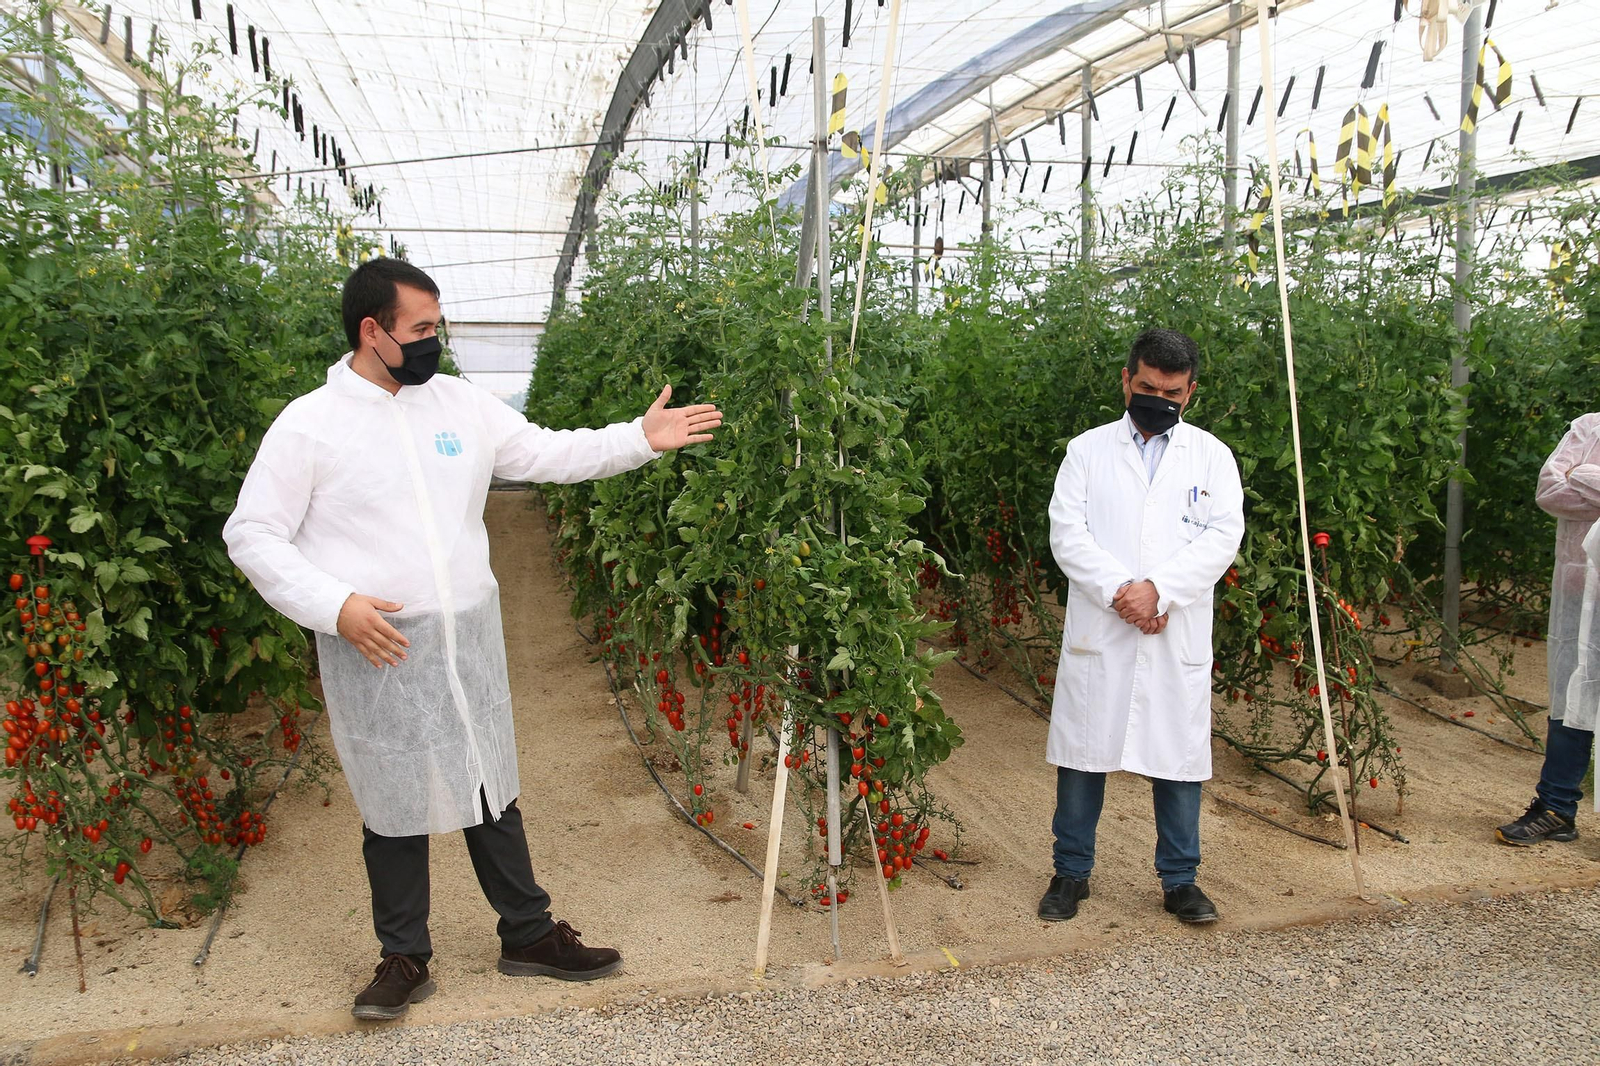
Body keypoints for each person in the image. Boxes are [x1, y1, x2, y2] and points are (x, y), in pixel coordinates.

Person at [224, 259, 722, 1020]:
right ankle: (403, 956)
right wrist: (336, 606)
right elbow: (253, 534)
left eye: (437, 325)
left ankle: (527, 934)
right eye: (421, 329)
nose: (435, 342)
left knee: (490, 781)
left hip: (468, 636)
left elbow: (546, 454)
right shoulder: (310, 425)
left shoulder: (456, 404)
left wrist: (637, 440)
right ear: (372, 331)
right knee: (393, 802)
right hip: (381, 642)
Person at [1040, 328, 1244, 925]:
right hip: (1105, 627)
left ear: (1191, 392)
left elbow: (1222, 537)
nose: (1160, 399)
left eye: (1172, 392)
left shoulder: (1211, 456)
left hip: (1171, 626)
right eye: (1148, 387)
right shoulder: (1087, 451)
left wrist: (1161, 592)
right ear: (1126, 381)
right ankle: (1070, 873)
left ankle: (1181, 881)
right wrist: (1123, 593)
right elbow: (1067, 535)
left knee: (1176, 757)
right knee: (1084, 754)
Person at [1496, 415, 1600, 845]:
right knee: (1574, 694)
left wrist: (1587, 477)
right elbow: (1552, 490)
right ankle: (1556, 807)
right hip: (1583, 590)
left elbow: (1573, 482)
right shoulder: (1590, 428)